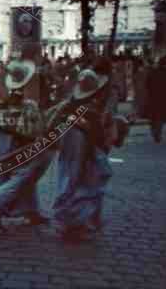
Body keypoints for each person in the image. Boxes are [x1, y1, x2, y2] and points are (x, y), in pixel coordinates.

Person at [52, 68, 128, 242]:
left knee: (70, 178)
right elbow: (95, 133)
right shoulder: (90, 107)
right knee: (84, 180)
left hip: (73, 142)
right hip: (82, 144)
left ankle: (80, 220)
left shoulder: (73, 103)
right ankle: (74, 222)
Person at [0, 59, 54, 230]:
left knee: (10, 169)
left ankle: (31, 211)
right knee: (28, 169)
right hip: (10, 131)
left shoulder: (4, 84)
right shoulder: (18, 91)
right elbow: (25, 120)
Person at [146, 56, 166, 143]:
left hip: (154, 97)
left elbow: (148, 84)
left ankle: (155, 131)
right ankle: (157, 132)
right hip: (163, 97)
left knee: (154, 116)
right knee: (160, 116)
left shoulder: (153, 72)